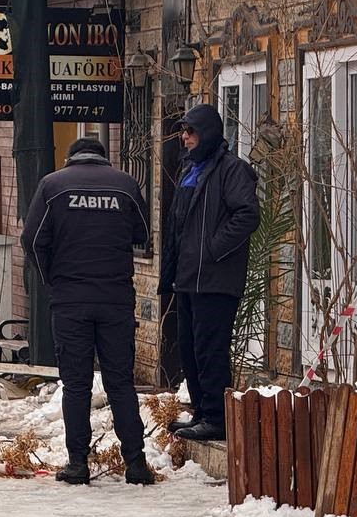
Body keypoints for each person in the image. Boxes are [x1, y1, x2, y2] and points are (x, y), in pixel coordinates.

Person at [22, 137, 155, 486]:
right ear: (103, 158)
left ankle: (78, 463)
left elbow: (33, 240)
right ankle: (136, 464)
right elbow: (142, 233)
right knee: (121, 384)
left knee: (77, 384)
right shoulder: (126, 185)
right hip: (115, 299)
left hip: (70, 301)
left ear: (71, 158)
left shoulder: (52, 185)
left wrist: (51, 278)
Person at [159, 103, 259, 442]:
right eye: (183, 132)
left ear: (208, 134)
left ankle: (217, 417)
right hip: (189, 277)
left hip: (215, 279)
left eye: (191, 132)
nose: (185, 138)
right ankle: (201, 410)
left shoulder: (232, 171)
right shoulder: (191, 169)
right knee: (188, 347)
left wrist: (213, 249)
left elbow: (247, 215)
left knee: (209, 347)